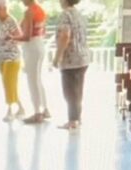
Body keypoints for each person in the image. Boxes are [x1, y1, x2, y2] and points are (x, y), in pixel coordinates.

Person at [52, 0, 90, 130]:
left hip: (71, 59)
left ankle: (73, 121)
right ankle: (77, 119)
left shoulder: (65, 15)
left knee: (70, 92)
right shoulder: (78, 14)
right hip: (83, 57)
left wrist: (58, 57)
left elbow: (65, 36)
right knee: (78, 91)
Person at [0, 0, 25, 121]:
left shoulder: (10, 21)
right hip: (2, 57)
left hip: (12, 58)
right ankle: (21, 108)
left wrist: (12, 38)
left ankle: (10, 111)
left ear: (5, 9)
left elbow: (20, 37)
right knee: (8, 85)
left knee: (9, 84)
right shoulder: (0, 22)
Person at [12, 0, 51, 124]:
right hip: (40, 44)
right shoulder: (41, 9)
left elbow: (26, 36)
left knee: (32, 81)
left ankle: (37, 113)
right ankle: (45, 109)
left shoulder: (29, 12)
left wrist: (11, 38)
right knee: (38, 79)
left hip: (31, 47)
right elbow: (43, 31)